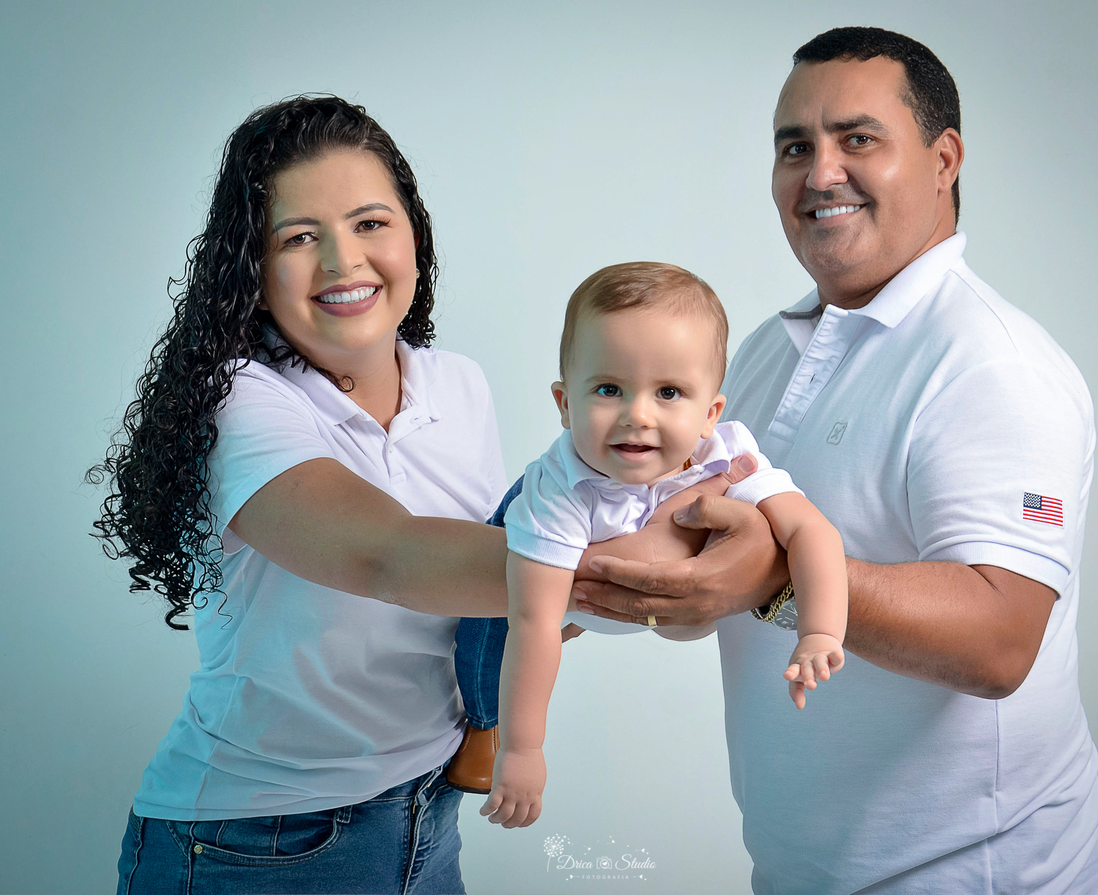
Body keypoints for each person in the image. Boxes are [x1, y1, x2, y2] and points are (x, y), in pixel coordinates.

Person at [93, 95, 776, 894]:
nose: (344, 262)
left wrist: (678, 544)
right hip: (256, 841)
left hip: (426, 817)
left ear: (414, 234)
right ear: (252, 263)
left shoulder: (459, 385)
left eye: (370, 223)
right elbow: (388, 556)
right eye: (300, 237)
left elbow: (481, 585)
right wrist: (679, 563)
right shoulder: (237, 400)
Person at [574, 27, 1098, 894]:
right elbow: (699, 553)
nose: (820, 172)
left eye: (857, 138)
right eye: (796, 146)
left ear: (944, 159)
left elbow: (1001, 639)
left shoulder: (992, 363)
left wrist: (780, 578)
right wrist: (592, 582)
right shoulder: (764, 350)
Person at [478, 262, 848, 829]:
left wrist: (819, 630)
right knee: (485, 628)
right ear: (564, 404)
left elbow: (809, 529)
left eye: (669, 392)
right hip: (550, 558)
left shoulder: (724, 454)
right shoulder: (557, 491)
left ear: (710, 414)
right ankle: (478, 726)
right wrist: (521, 751)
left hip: (658, 594)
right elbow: (534, 623)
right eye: (608, 389)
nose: (637, 416)